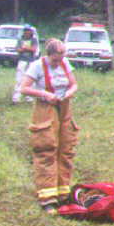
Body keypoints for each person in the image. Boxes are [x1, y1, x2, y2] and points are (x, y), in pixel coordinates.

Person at [19, 38, 78, 214]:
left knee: (65, 151)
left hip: (64, 110)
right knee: (46, 151)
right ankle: (47, 199)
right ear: (49, 55)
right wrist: (44, 94)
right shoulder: (37, 66)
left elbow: (74, 84)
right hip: (45, 110)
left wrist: (69, 93)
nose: (58, 62)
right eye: (55, 60)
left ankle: (63, 194)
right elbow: (23, 88)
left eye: (61, 59)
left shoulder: (65, 63)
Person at [11, 25, 38, 104]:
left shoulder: (34, 39)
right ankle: (16, 98)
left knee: (30, 79)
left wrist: (24, 48)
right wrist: (26, 48)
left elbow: (34, 49)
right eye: (25, 30)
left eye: (28, 30)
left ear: (30, 31)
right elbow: (18, 49)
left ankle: (29, 97)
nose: (26, 32)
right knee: (19, 79)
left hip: (31, 61)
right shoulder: (20, 39)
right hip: (22, 61)